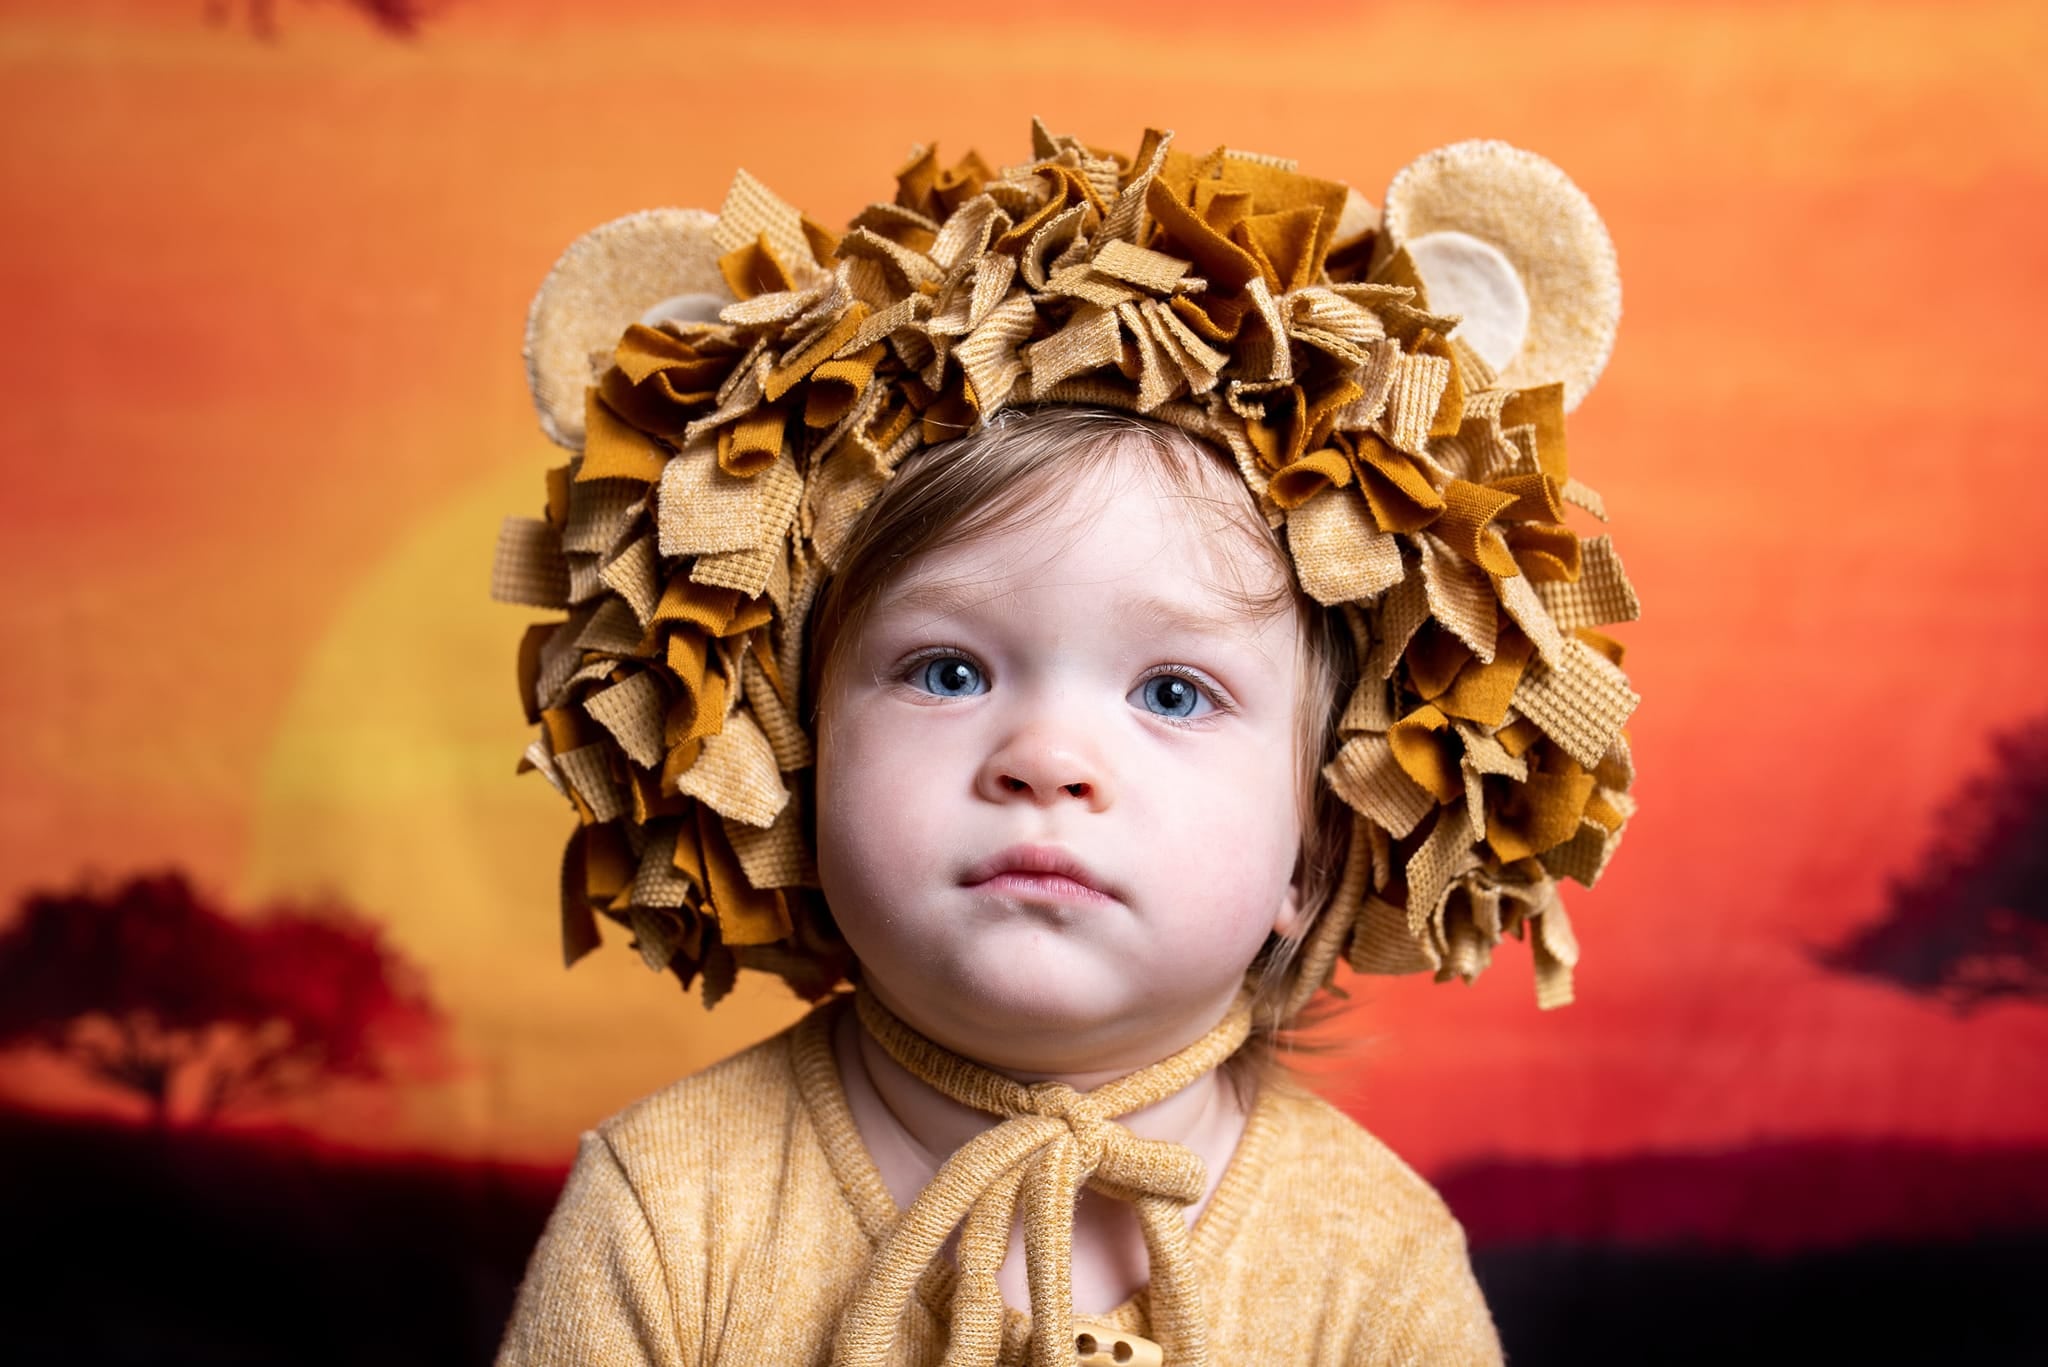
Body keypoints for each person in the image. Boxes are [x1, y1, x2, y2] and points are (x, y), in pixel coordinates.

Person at [489, 124, 1639, 1366]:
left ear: (1313, 851)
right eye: (947, 670)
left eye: (1175, 692)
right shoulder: (670, 1208)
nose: (1045, 757)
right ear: (789, 766)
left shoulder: (1371, 1260)